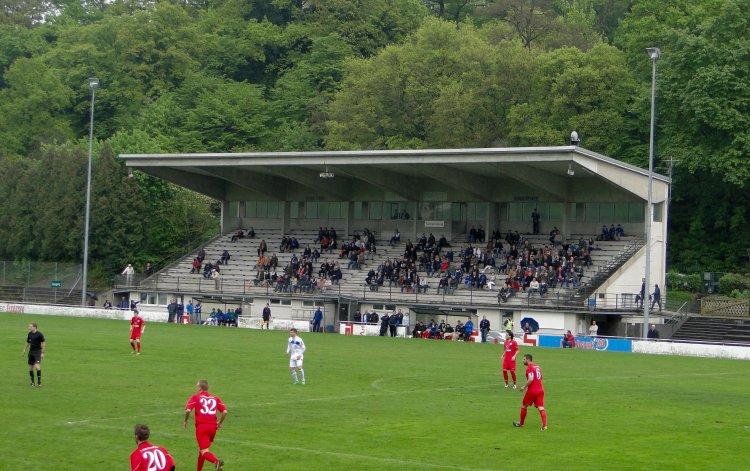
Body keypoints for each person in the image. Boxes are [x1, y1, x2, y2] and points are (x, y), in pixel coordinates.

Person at [184, 380, 227, 471]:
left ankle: (216, 462)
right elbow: (224, 412)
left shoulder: (195, 397)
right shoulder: (215, 398)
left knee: (204, 451)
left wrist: (185, 421)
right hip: (213, 428)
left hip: (202, 427)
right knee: (203, 450)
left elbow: (188, 411)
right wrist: (219, 423)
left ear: (199, 388)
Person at [513, 354, 548, 430]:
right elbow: (541, 378)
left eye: (524, 359)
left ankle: (521, 424)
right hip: (540, 390)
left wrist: (523, 387)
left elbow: (531, 378)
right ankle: (544, 426)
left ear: (528, 360)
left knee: (524, 405)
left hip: (532, 390)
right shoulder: (537, 367)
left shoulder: (529, 368)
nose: (523, 361)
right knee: (541, 407)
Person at [22, 323, 45, 387]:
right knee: (31, 368)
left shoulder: (39, 334)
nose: (29, 327)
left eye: (30, 326)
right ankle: (32, 382)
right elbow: (28, 342)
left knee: (37, 366)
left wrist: (42, 352)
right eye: (29, 326)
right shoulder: (29, 334)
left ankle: (39, 382)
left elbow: (43, 343)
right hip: (31, 352)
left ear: (35, 327)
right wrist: (24, 350)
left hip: (37, 352)